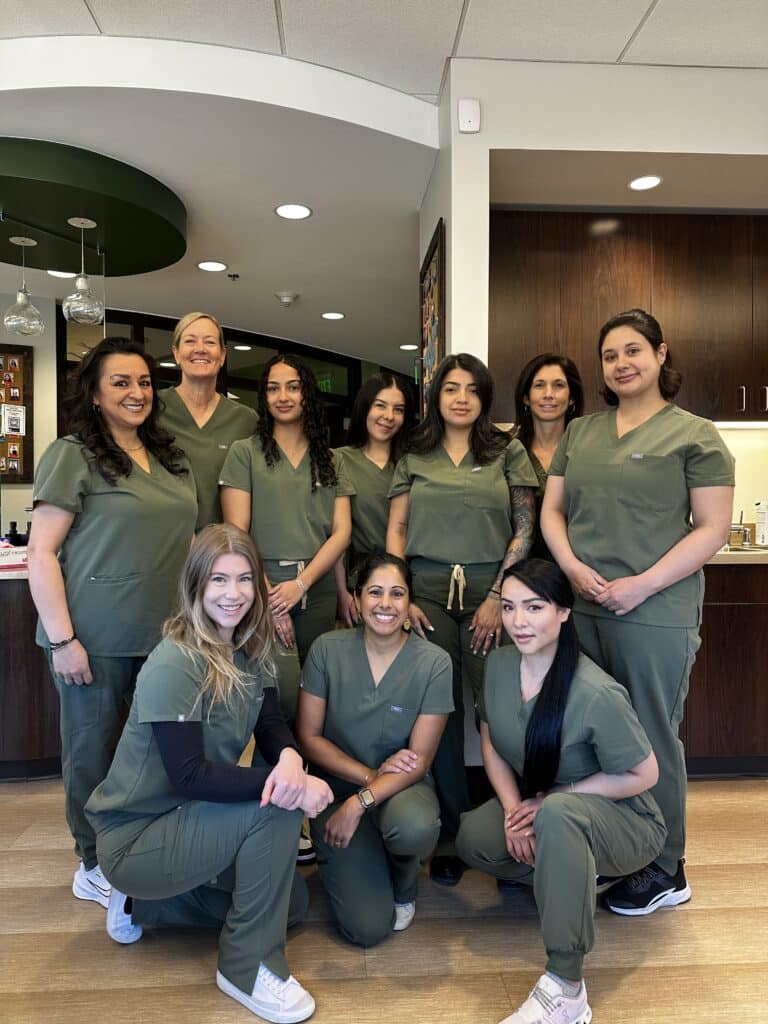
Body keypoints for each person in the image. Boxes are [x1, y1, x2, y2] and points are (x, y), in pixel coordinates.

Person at [84, 524, 333, 1024]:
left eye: (245, 579)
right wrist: (293, 786)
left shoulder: (249, 647)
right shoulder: (175, 661)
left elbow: (269, 723)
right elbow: (189, 777)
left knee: (292, 905)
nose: (234, 594)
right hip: (137, 835)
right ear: (196, 584)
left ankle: (143, 906)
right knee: (279, 811)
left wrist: (288, 759)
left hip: (189, 820)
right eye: (219, 580)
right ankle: (247, 967)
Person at [541, 308, 734, 914]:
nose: (621, 364)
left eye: (633, 351)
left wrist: (643, 585)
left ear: (660, 354)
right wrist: (572, 570)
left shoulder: (695, 435)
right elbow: (553, 511)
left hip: (654, 611)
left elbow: (714, 529)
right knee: (593, 735)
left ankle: (666, 864)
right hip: (586, 608)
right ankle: (619, 850)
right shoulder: (581, 433)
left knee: (652, 734)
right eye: (609, 356)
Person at [27, 337, 197, 911]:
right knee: (91, 752)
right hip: (93, 639)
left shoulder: (170, 457)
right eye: (120, 382)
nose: (136, 392)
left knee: (155, 750)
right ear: (95, 394)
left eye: (144, 382)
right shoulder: (73, 454)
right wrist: (63, 641)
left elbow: (186, 541)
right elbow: (41, 553)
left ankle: (143, 845)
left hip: (166, 637)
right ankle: (92, 861)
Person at [456, 559, 666, 1024]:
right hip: (545, 807)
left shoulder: (595, 692)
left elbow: (644, 773)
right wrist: (514, 810)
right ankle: (570, 873)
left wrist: (552, 801)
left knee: (558, 817)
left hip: (626, 821)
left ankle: (567, 987)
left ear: (564, 612)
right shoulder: (500, 664)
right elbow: (490, 740)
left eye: (534, 607)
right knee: (475, 837)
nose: (518, 621)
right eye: (509, 608)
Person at [387, 352, 538, 886]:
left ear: (484, 398)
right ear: (437, 396)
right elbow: (398, 528)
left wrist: (501, 593)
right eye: (451, 388)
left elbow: (524, 529)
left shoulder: (506, 451)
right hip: (425, 591)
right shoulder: (415, 453)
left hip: (490, 591)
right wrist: (400, 593)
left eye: (472, 390)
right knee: (441, 712)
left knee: (498, 707)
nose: (461, 398)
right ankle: (451, 833)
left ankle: (513, 825)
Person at [296, 553, 452, 946]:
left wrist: (361, 801)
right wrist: (367, 780)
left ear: (409, 602)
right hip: (335, 790)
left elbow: (419, 761)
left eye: (397, 594)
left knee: (413, 827)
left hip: (402, 790)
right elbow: (309, 738)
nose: (386, 604)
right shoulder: (326, 650)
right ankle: (368, 860)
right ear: (356, 598)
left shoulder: (434, 662)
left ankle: (404, 875)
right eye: (375, 592)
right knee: (367, 929)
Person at [219, 353, 354, 721]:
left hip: (318, 587)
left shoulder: (331, 459)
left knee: (317, 697)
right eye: (273, 388)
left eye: (293, 387)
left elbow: (341, 533)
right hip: (264, 585)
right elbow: (237, 532)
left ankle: (312, 777)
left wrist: (303, 584)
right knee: (278, 698)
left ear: (307, 395)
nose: (283, 396)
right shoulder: (245, 453)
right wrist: (271, 596)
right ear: (263, 397)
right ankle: (275, 778)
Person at [158, 311, 258, 529]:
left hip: (221, 551)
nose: (200, 348)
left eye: (210, 342)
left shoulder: (246, 420)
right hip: (162, 545)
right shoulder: (152, 409)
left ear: (222, 355)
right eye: (190, 341)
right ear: (176, 353)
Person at [334, 372, 415, 626]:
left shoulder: (415, 463)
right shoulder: (339, 460)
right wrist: (341, 592)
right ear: (364, 408)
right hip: (360, 582)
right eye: (380, 405)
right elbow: (334, 535)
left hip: (411, 579)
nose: (389, 416)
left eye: (398, 409)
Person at [513, 354, 584, 560]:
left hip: (578, 566)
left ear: (572, 397)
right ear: (526, 397)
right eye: (539, 385)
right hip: (519, 569)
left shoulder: (587, 451)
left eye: (558, 385)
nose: (548, 394)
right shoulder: (507, 451)